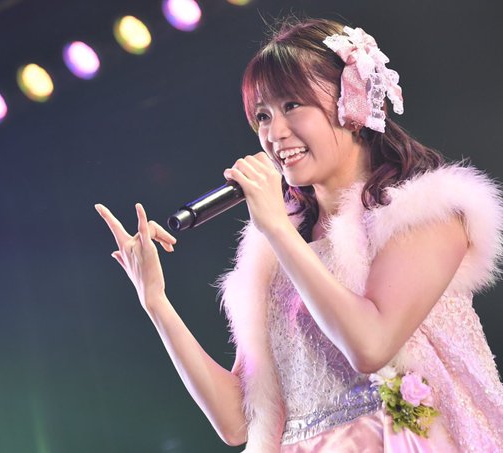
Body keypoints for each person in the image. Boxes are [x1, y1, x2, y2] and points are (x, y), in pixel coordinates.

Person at [95, 17, 503, 452]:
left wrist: (275, 226)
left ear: (353, 103)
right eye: (262, 116)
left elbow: (371, 345)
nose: (274, 134)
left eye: (292, 105)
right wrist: (155, 301)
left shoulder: (425, 213)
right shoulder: (274, 253)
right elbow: (238, 422)